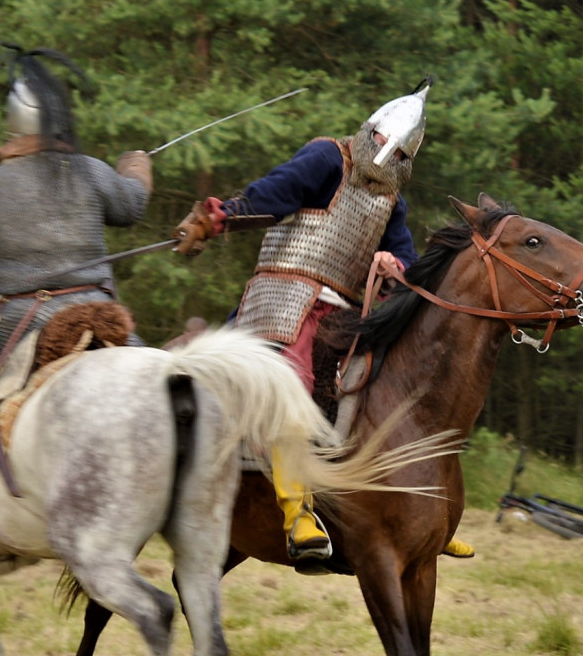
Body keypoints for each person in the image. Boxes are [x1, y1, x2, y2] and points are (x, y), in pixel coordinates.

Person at [173, 79, 474, 563]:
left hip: (345, 313)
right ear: (368, 132)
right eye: (380, 144)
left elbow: (403, 259)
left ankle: (422, 518)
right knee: (292, 386)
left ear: (407, 161)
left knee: (397, 389)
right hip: (284, 296)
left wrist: (396, 270)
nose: (384, 157)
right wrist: (217, 218)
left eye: (397, 155)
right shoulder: (325, 158)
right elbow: (271, 196)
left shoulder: (392, 201)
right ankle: (297, 513)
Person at [0, 45, 152, 540]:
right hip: (101, 315)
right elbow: (131, 207)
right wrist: (134, 168)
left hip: (22, 322)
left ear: (12, 128)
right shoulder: (88, 169)